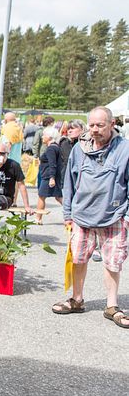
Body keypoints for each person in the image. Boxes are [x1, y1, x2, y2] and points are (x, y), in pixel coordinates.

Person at [53, 107, 129, 329]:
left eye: (100, 125)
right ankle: (77, 299)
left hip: (113, 216)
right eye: (92, 125)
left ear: (112, 123)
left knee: (113, 263)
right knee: (78, 259)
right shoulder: (79, 149)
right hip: (82, 216)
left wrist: (126, 215)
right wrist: (67, 213)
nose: (95, 130)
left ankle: (112, 306)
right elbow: (69, 182)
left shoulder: (124, 149)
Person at [0, 143, 32, 216]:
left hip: (6, 197)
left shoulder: (14, 165)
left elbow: (22, 186)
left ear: (7, 154)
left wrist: (27, 206)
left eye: (2, 153)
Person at [34, 127, 63, 225]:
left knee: (41, 196)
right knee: (58, 197)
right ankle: (72, 213)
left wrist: (51, 177)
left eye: (44, 135)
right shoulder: (55, 147)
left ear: (50, 137)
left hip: (48, 176)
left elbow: (52, 163)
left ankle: (38, 218)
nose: (42, 137)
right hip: (51, 175)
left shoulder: (51, 148)